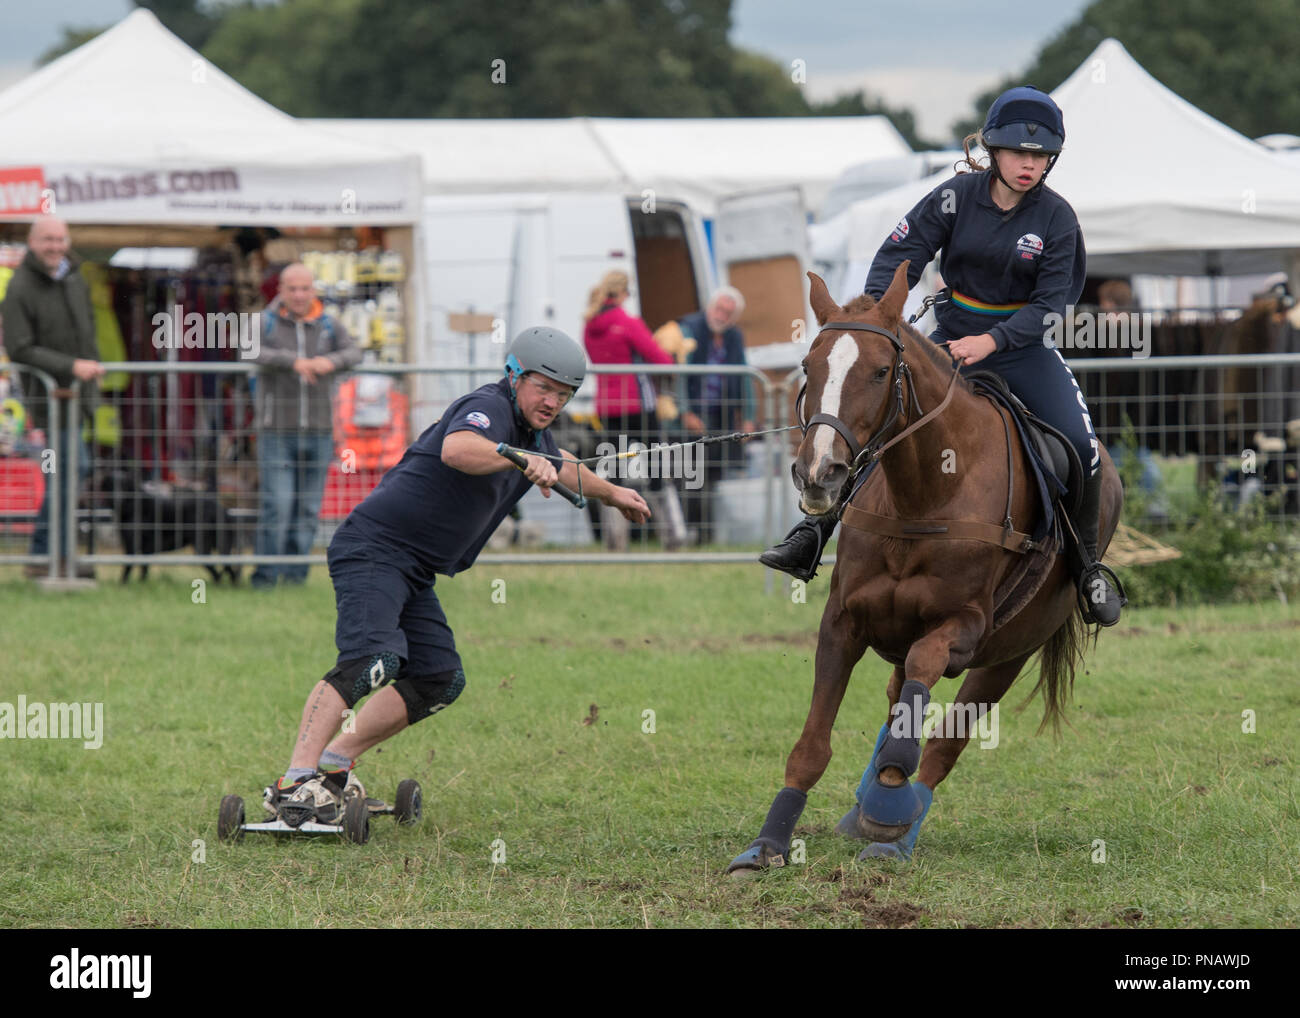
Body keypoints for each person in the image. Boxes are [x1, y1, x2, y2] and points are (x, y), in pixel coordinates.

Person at [761, 85, 1125, 626]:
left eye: (1040, 156)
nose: (1029, 165)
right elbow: (900, 252)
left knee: (1079, 443)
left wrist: (994, 341)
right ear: (993, 151)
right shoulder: (953, 197)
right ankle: (815, 531)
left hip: (1023, 349)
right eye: (1018, 153)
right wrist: (879, 318)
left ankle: (1087, 567)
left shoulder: (1057, 219)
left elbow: (1053, 306)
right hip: (945, 340)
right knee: (878, 420)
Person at [263, 327, 650, 824]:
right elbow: (458, 447)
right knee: (370, 659)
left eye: (564, 393)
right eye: (543, 387)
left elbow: (564, 464)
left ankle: (334, 768)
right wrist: (519, 457)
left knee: (439, 678)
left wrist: (612, 493)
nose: (552, 400)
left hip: (416, 567)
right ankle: (295, 780)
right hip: (375, 548)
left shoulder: (535, 434)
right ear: (514, 376)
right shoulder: (488, 406)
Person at [1, 216, 103, 579]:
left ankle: (53, 555)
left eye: (60, 239)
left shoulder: (74, 277)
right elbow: (19, 347)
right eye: (47, 240)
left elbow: (86, 329)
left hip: (76, 397)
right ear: (32, 242)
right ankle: (49, 554)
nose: (55, 246)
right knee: (63, 471)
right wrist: (72, 365)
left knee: (73, 470)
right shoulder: (20, 287)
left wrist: (91, 370)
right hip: (48, 402)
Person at [251, 263, 361, 588]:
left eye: (305, 288)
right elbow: (247, 350)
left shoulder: (329, 324)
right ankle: (266, 578)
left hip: (320, 430)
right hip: (275, 430)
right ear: (281, 291)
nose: (299, 295)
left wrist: (331, 361)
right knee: (278, 505)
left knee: (308, 507)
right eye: (292, 288)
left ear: (313, 290)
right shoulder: (263, 322)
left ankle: (295, 579)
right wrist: (292, 362)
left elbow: (355, 351)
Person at [582, 269, 685, 546]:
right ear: (624, 293)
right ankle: (673, 536)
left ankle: (615, 541)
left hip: (606, 406)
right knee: (655, 468)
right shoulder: (628, 322)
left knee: (614, 471)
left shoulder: (589, 325)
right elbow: (660, 360)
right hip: (639, 405)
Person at [677, 287, 756, 543]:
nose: (722, 316)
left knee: (714, 474)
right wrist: (685, 411)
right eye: (719, 309)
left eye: (728, 313)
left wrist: (748, 415)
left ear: (734, 317)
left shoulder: (734, 337)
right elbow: (680, 372)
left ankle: (708, 534)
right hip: (691, 416)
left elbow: (744, 375)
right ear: (709, 307)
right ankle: (690, 531)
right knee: (691, 476)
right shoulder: (689, 328)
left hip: (719, 414)